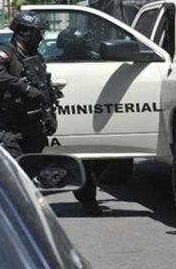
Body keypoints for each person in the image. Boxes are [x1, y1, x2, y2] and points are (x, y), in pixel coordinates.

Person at [0, 10, 57, 157]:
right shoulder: (4, 53)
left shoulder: (35, 56)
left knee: (33, 165)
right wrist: (25, 88)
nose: (40, 37)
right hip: (9, 126)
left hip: (32, 126)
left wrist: (50, 111)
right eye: (37, 33)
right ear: (24, 32)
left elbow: (43, 85)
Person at [54, 26, 103, 216]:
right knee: (81, 163)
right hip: (69, 119)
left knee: (90, 163)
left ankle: (89, 200)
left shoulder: (98, 62)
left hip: (96, 117)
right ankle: (89, 201)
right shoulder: (56, 65)